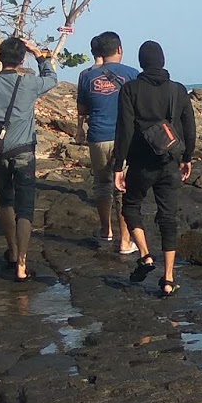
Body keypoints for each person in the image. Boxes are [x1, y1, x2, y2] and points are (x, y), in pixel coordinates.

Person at [112, 40, 196, 298]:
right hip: (170, 161)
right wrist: (187, 157)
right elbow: (190, 127)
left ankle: (146, 255)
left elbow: (124, 129)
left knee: (131, 206)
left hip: (141, 161)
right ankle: (169, 278)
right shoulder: (178, 90)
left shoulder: (130, 89)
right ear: (162, 61)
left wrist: (119, 165)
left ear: (141, 62)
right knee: (168, 218)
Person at [0, 36, 56, 281]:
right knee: (25, 208)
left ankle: (13, 253)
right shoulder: (29, 82)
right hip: (24, 152)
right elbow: (52, 79)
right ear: (21, 59)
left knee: (6, 202)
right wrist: (39, 54)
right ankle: (22, 265)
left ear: (0, 58)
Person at [75, 31, 139, 253]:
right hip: (126, 138)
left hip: (98, 136)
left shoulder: (86, 76)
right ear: (119, 49)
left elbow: (82, 110)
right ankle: (125, 240)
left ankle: (106, 230)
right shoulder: (132, 74)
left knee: (102, 185)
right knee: (123, 187)